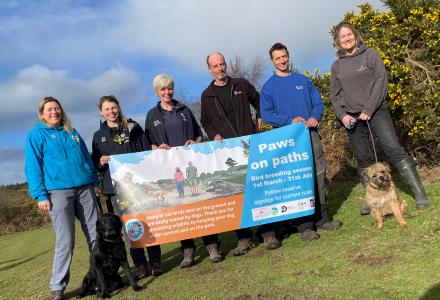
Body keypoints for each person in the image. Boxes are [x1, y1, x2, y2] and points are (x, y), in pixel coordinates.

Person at [330, 22, 429, 214]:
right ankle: (371, 200)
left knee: (393, 149)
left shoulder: (370, 54)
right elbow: (334, 95)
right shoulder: (336, 66)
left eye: (349, 34)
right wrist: (342, 116)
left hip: (376, 112)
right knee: (364, 158)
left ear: (355, 35)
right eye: (342, 36)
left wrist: (368, 108)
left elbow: (381, 81)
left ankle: (420, 194)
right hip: (351, 119)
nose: (347, 38)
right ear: (337, 41)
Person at [260, 43, 342, 242]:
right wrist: (290, 120)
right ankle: (304, 226)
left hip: (310, 134)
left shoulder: (302, 80)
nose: (282, 61)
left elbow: (318, 103)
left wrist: (315, 116)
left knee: (318, 174)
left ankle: (323, 219)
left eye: (284, 56)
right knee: (297, 180)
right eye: (278, 58)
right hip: (288, 140)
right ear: (272, 61)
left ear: (289, 56)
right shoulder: (268, 87)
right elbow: (267, 114)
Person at [200, 52, 281, 253]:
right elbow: (205, 122)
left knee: (259, 190)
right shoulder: (206, 95)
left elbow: (259, 100)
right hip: (228, 151)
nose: (220, 68)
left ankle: (268, 233)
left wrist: (260, 116)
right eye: (215, 66)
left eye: (222, 64)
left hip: (251, 144)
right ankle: (244, 238)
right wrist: (214, 134)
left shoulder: (241, 85)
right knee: (235, 195)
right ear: (209, 70)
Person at [25, 97, 99, 300]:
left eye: (57, 108)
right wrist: (40, 194)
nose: (54, 112)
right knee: (66, 241)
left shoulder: (71, 132)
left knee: (96, 235)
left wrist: (94, 181)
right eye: (49, 109)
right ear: (41, 114)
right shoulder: (36, 135)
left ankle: (99, 278)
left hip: (85, 189)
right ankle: (57, 287)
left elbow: (85, 158)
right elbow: (32, 167)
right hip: (58, 193)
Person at [145, 73, 223, 267]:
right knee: (181, 209)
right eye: (163, 89)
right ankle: (187, 251)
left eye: (169, 88)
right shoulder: (151, 115)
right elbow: (149, 143)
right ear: (157, 92)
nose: (167, 92)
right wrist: (157, 148)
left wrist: (194, 142)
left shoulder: (184, 109)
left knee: (199, 205)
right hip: (171, 170)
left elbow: (199, 135)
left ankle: (212, 246)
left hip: (191, 166)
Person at [91, 95, 162, 279]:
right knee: (130, 229)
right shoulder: (98, 136)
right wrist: (100, 161)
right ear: (101, 112)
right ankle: (140, 266)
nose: (111, 112)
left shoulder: (133, 127)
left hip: (138, 186)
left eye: (114, 107)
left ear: (119, 108)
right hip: (116, 190)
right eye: (107, 109)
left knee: (148, 224)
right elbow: (95, 164)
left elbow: (146, 152)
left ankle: (155, 262)